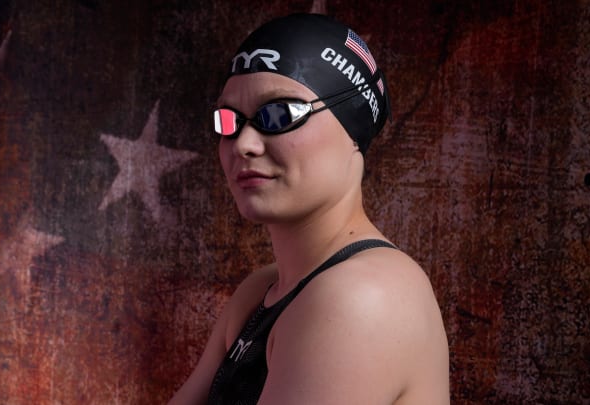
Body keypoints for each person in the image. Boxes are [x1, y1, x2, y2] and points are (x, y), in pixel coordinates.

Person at [169, 13, 449, 405]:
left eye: (279, 114)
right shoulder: (260, 291)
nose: (243, 144)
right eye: (229, 121)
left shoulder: (362, 298)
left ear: (353, 131)